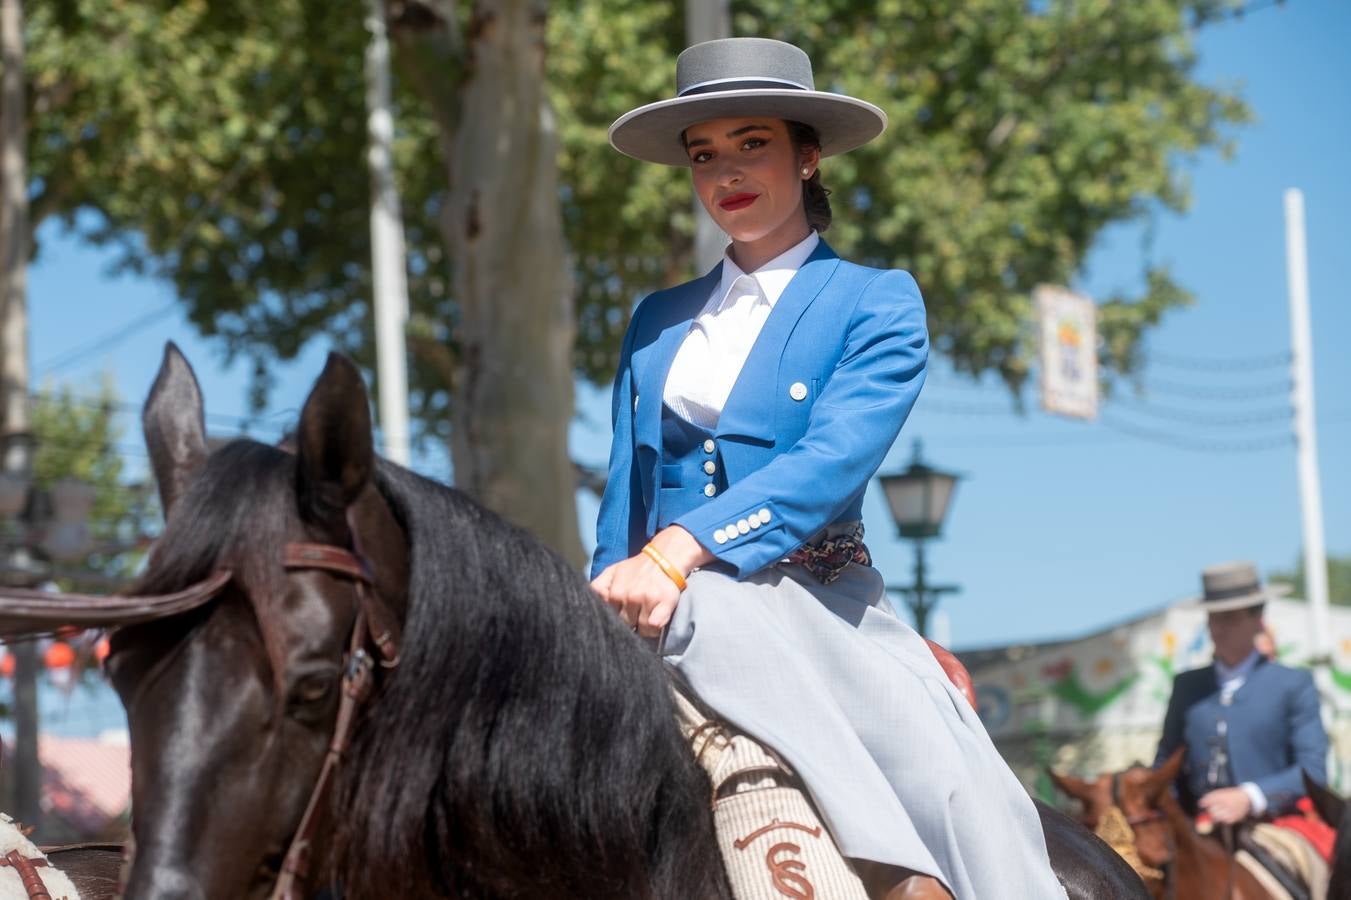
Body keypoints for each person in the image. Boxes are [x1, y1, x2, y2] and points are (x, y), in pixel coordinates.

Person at [589, 37, 1064, 900]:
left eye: (751, 144)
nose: (725, 171)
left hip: (814, 600)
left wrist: (679, 553)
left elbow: (829, 462)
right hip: (658, 604)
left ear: (807, 157)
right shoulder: (655, 320)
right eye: (703, 155)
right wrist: (605, 598)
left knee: (958, 798)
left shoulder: (876, 300)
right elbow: (623, 493)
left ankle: (894, 872)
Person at [1156, 561, 1329, 823]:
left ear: (1257, 620)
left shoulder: (1293, 684)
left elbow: (1313, 770)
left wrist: (1250, 796)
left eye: (1230, 617)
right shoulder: (1187, 686)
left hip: (1274, 823)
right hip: (1196, 831)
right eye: (1213, 617)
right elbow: (1165, 765)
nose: (1219, 628)